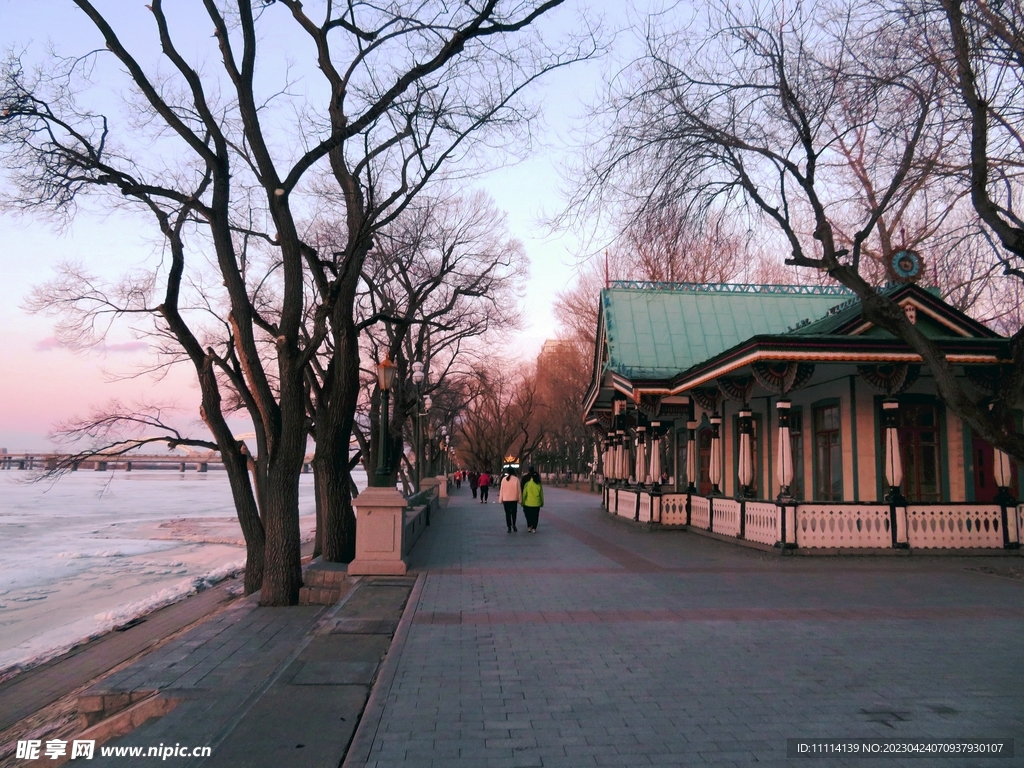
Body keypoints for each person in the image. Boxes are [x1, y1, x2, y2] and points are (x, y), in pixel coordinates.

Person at [521, 465, 544, 533]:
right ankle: (534, 527)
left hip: (528, 503)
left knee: (528, 515)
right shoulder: (539, 485)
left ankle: (529, 526)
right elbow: (541, 495)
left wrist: (523, 501)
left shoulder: (527, 484)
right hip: (537, 503)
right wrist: (542, 502)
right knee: (535, 516)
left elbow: (524, 493)